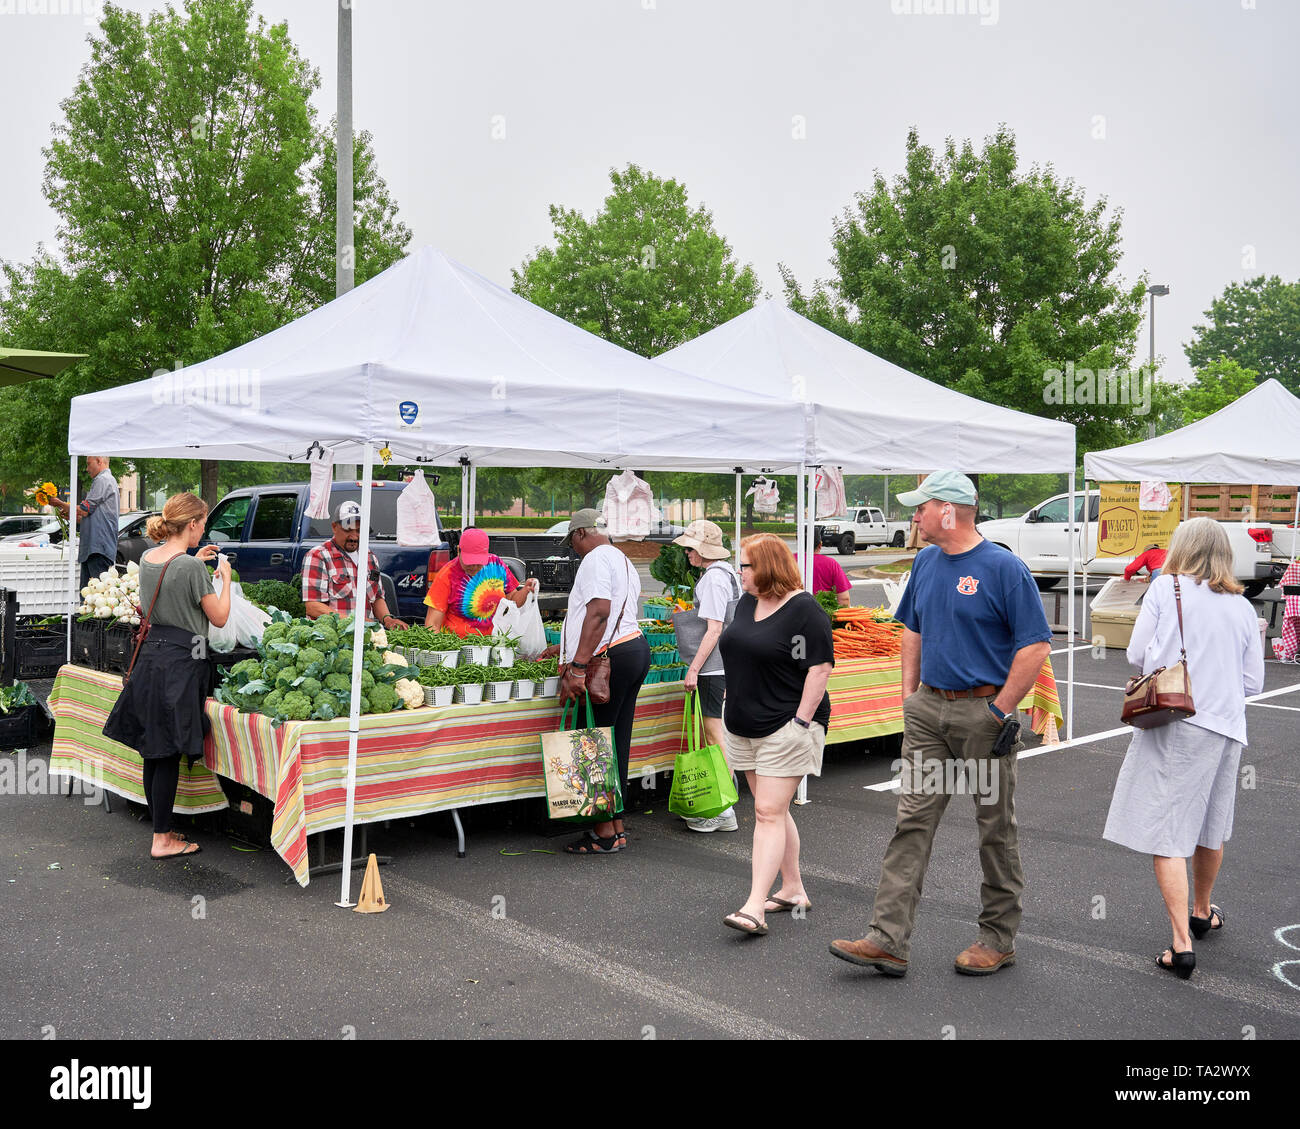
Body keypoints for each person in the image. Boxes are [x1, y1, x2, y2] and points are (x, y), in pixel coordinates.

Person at [829, 471, 1051, 976]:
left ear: (948, 510)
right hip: (930, 714)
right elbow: (913, 628)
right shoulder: (927, 561)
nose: (914, 516)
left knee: (994, 828)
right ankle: (887, 939)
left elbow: (1035, 645)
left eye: (921, 507)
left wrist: (998, 711)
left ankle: (998, 939)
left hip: (982, 716)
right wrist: (910, 698)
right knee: (913, 822)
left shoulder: (1002, 568)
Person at [1102, 518, 1265, 979]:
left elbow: (1137, 654)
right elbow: (1253, 681)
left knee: (1167, 830)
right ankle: (1201, 908)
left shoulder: (1165, 587)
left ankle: (1181, 943)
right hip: (1228, 725)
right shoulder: (1240, 604)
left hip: (1178, 719)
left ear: (1180, 547)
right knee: (1211, 824)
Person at [102, 493, 232, 859]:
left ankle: (162, 830)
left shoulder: (148, 557)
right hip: (181, 662)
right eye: (203, 523)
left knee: (153, 749)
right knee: (169, 750)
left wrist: (194, 560)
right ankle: (162, 838)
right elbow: (219, 617)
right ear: (192, 524)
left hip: (151, 659)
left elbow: (168, 581)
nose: (204, 530)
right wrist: (223, 579)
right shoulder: (190, 569)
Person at [719, 533, 834, 935]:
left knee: (766, 812)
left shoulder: (805, 612)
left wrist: (801, 724)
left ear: (766, 566)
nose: (739, 571)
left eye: (745, 565)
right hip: (744, 723)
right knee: (775, 810)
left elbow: (818, 669)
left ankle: (754, 907)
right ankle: (793, 889)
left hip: (786, 725)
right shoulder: (749, 602)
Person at [551, 509, 650, 855]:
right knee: (615, 738)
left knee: (595, 743)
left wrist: (578, 663)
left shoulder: (594, 559)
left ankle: (603, 833)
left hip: (609, 658)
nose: (574, 551)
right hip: (633, 649)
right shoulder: (621, 558)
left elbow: (599, 611)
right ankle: (616, 824)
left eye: (572, 544)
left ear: (580, 534)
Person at [674, 519, 741, 832]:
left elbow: (714, 628)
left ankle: (723, 809)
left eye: (691, 547)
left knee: (715, 736)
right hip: (725, 665)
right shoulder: (727, 573)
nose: (688, 553)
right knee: (718, 735)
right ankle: (724, 802)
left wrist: (694, 668)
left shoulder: (713, 579)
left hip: (714, 668)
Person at [301, 500, 407, 630]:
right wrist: (357, 622)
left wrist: (387, 619)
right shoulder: (318, 556)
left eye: (359, 531)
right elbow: (313, 606)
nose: (354, 536)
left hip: (367, 635)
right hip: (333, 635)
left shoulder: (370, 558)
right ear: (334, 527)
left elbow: (377, 597)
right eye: (348, 530)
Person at [424, 527, 539, 637]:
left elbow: (512, 600)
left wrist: (525, 591)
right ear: (459, 550)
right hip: (457, 647)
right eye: (469, 561)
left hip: (493, 643)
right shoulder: (447, 575)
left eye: (478, 562)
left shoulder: (496, 565)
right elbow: (432, 624)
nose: (474, 566)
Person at [50, 455, 119, 589]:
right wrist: (72, 517)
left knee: (95, 595)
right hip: (95, 548)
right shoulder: (106, 480)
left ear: (99, 461)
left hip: (97, 549)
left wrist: (59, 503)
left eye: (88, 464)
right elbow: (92, 517)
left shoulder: (102, 479)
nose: (87, 469)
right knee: (89, 595)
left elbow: (84, 509)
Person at [1273, 557, 1300, 662]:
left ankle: (1291, 651)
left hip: (1294, 600)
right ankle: (1292, 651)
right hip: (1294, 599)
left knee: (1291, 622)